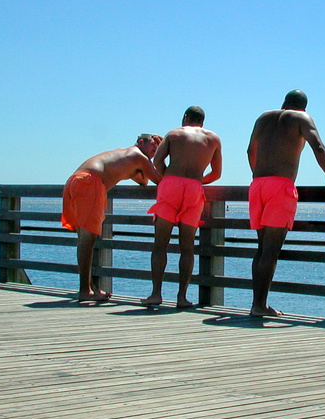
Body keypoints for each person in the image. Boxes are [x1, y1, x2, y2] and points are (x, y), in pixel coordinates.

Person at [247, 89, 325, 317]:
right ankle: (259, 306)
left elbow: (250, 149)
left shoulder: (263, 117)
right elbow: (317, 146)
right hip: (281, 187)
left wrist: (257, 175)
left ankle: (257, 304)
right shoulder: (301, 118)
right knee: (270, 251)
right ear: (304, 107)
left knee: (261, 250)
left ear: (284, 102)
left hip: (258, 184)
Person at [62, 134, 163, 302]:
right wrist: (161, 158)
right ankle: (84, 290)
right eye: (153, 145)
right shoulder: (138, 156)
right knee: (87, 240)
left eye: (157, 148)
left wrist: (147, 163)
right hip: (90, 182)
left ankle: (90, 288)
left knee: (84, 239)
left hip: (75, 181)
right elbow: (158, 180)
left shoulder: (124, 155)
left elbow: (142, 180)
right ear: (140, 143)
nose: (155, 149)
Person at [141, 106, 222, 309]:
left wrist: (168, 176)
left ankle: (156, 294)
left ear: (185, 118)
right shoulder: (213, 138)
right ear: (202, 122)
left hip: (170, 186)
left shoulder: (174, 133)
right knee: (187, 248)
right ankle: (182, 297)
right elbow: (217, 173)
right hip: (194, 188)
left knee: (160, 244)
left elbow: (157, 161)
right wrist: (197, 181)